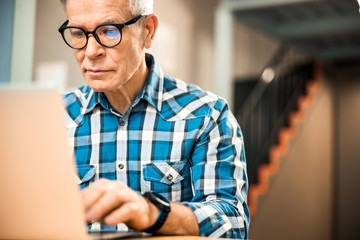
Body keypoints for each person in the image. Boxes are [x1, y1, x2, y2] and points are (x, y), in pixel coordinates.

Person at [59, 0, 250, 238]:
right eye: (78, 33)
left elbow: (232, 225)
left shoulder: (207, 115)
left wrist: (153, 214)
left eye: (109, 31)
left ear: (147, 31)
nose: (90, 52)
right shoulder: (54, 117)